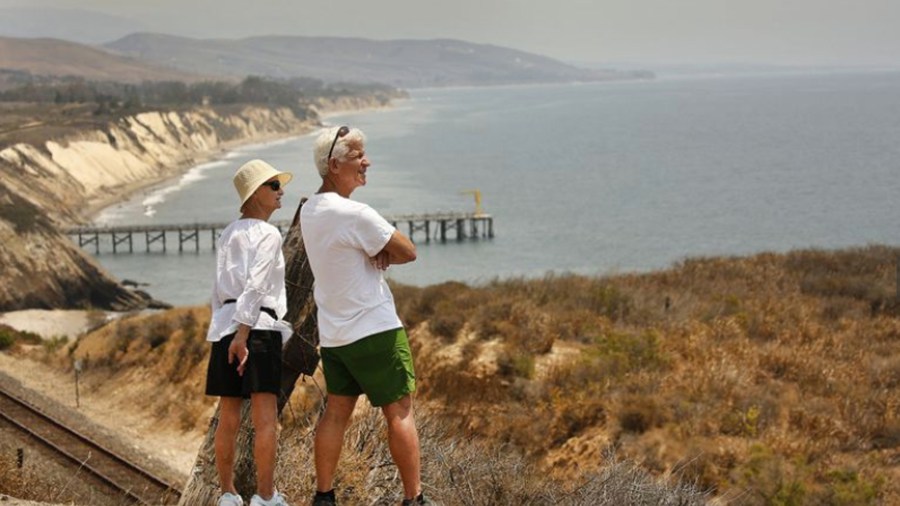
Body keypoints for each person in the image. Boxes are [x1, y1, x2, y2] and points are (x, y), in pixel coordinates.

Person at [300, 126, 430, 506]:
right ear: (334, 165)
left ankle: (324, 496)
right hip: (374, 329)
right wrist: (383, 252)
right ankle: (414, 499)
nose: (366, 161)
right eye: (358, 156)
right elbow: (408, 250)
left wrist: (374, 251)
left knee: (336, 412)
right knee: (400, 411)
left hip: (336, 335)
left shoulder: (310, 210)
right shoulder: (356, 214)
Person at [205, 159, 294, 506]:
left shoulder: (228, 233)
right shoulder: (269, 233)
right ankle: (266, 497)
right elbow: (256, 285)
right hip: (255, 328)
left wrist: (227, 332)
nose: (280, 191)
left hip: (225, 327)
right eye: (273, 185)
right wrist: (244, 334)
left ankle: (227, 494)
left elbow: (217, 290)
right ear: (255, 193)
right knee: (265, 419)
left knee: (228, 417)